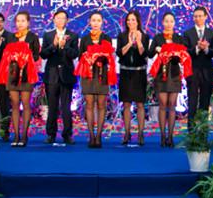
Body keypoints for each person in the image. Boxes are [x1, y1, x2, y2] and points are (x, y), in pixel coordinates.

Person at [0, 11, 41, 147]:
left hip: (26, 74)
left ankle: (24, 135)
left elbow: (36, 56)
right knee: (14, 104)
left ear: (28, 22)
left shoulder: (33, 37)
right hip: (13, 74)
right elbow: (5, 55)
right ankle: (16, 135)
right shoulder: (11, 37)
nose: (20, 23)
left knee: (25, 104)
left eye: (23, 21)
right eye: (18, 21)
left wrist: (26, 56)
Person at [75, 11, 116, 148]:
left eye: (98, 20)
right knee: (89, 104)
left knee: (101, 104)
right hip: (88, 75)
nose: (96, 23)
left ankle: (99, 136)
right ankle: (91, 135)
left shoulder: (106, 38)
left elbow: (110, 57)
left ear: (102, 22)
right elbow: (80, 57)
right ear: (89, 22)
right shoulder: (85, 39)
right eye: (93, 20)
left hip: (102, 75)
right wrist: (88, 56)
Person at [149, 12, 190, 148]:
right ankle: (162, 135)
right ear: (162, 23)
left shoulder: (178, 38)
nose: (168, 24)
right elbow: (149, 54)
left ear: (174, 23)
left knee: (172, 105)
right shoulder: (158, 38)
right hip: (161, 74)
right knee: (162, 104)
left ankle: (171, 136)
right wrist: (157, 49)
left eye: (171, 21)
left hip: (174, 74)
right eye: (166, 21)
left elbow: (184, 55)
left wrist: (177, 54)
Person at [40, 9, 79, 144]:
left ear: (67, 21)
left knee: (66, 106)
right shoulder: (48, 35)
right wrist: (54, 45)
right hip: (51, 75)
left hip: (66, 75)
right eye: (58, 18)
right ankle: (51, 134)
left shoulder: (73, 36)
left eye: (63, 18)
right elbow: (43, 54)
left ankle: (67, 134)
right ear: (54, 20)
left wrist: (65, 47)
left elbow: (75, 54)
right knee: (52, 106)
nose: (60, 20)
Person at [116, 10, 150, 146]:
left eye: (133, 20)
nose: (130, 22)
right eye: (128, 20)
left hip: (139, 73)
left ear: (138, 22)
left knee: (140, 104)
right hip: (126, 73)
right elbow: (119, 53)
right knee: (126, 104)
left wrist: (139, 42)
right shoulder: (122, 36)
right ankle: (127, 133)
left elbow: (144, 54)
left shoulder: (145, 36)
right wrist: (130, 43)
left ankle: (140, 133)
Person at [183, 6, 213, 128]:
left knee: (205, 100)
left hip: (207, 72)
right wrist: (197, 48)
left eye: (200, 16)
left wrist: (206, 49)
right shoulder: (187, 33)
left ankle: (203, 130)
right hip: (192, 71)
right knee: (192, 101)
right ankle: (191, 130)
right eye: (195, 16)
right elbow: (185, 52)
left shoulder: (211, 33)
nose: (198, 18)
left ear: (205, 17)